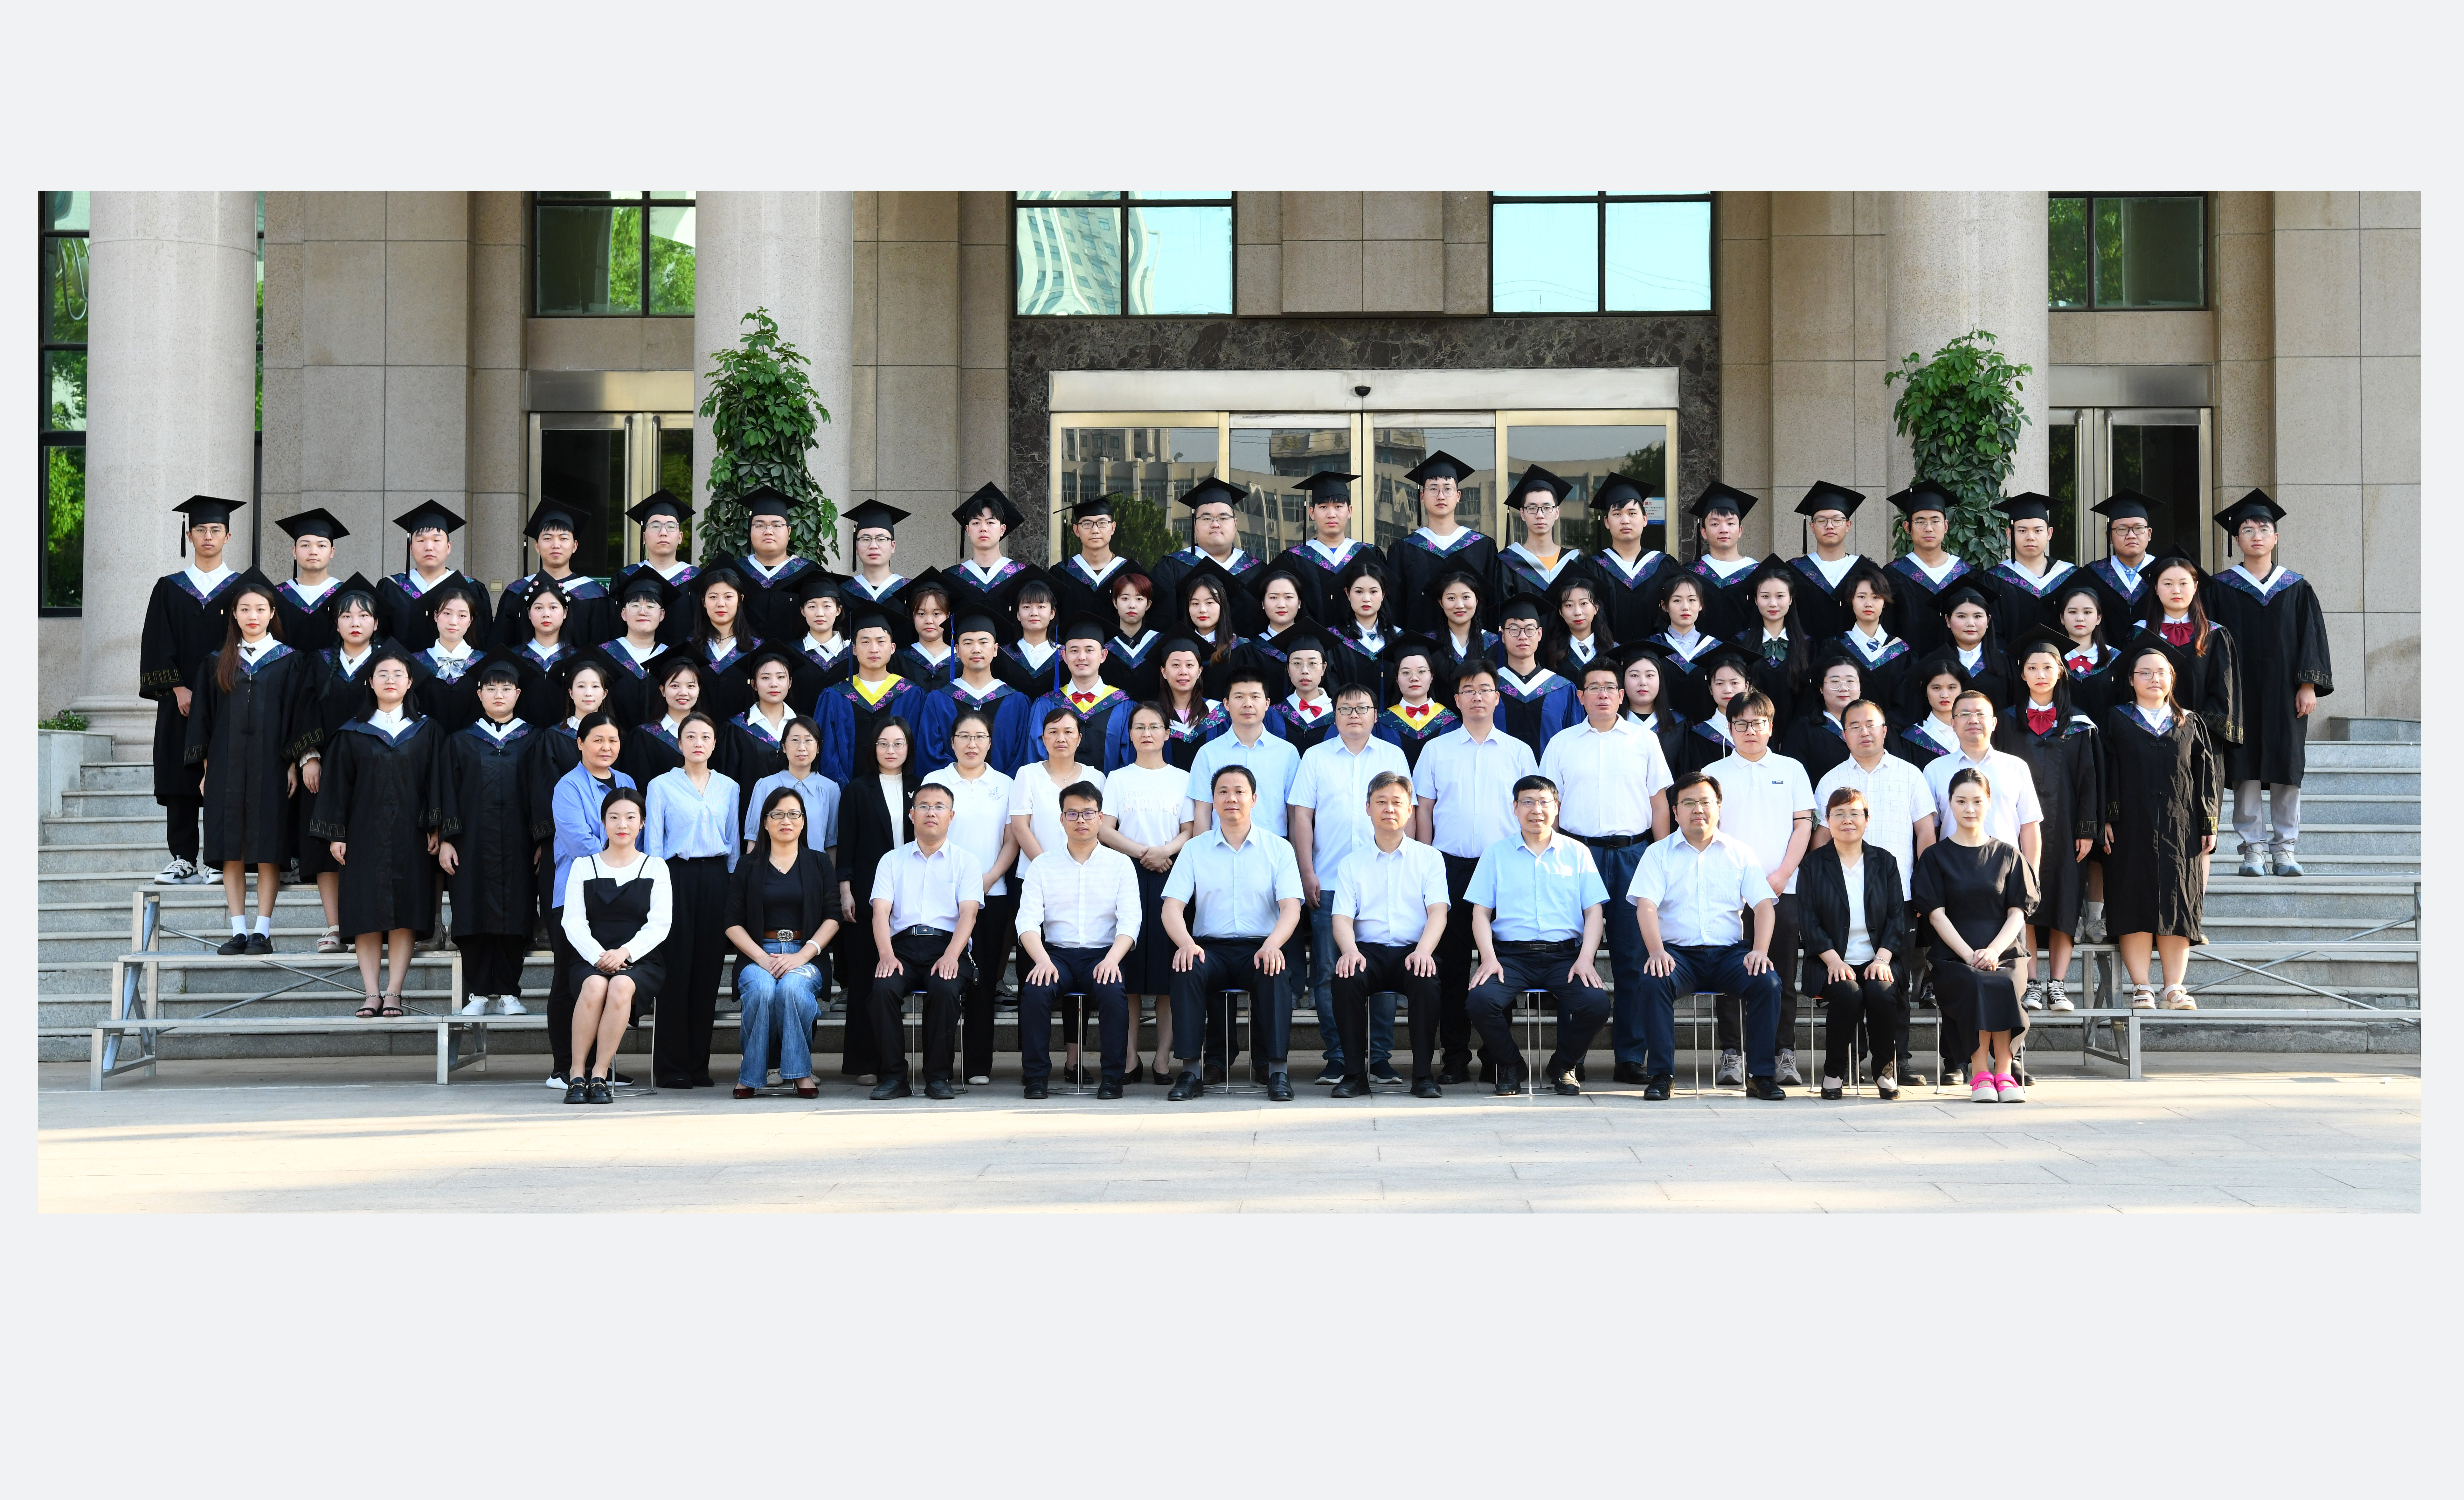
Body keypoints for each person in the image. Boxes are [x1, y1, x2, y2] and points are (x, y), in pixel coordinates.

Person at [1541, 661, 1675, 1083]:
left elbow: (1658, 804)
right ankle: (1572, 1057)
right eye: (1593, 687)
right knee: (1571, 955)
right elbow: (1548, 808)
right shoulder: (1562, 743)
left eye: (1609, 688)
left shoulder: (1644, 740)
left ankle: (1631, 1056)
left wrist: (1663, 858)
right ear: (1580, 696)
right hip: (1576, 856)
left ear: (1621, 695)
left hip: (1632, 854)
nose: (1602, 694)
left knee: (1633, 957)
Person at [1411, 659, 1538, 1082]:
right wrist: (1427, 860)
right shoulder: (1437, 749)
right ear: (1457, 699)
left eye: (1484, 689)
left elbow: (1532, 812)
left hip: (1504, 869)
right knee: (1451, 968)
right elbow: (1424, 809)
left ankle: (1497, 1056)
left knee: (1499, 964)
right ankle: (1454, 1057)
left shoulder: (1519, 752)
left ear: (1497, 698)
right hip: (1449, 868)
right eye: (1468, 690)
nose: (1477, 697)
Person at [1627, 771, 1788, 1100]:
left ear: (1719, 807)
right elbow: (1646, 906)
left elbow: (1764, 905)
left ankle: (1761, 1076)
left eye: (1705, 802)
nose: (1697, 809)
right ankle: (1661, 1075)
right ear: (1675, 812)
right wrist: (1656, 952)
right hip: (1677, 956)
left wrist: (1759, 951)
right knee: (1653, 981)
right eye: (1688, 803)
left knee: (1767, 982)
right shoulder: (1658, 853)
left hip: (1729, 955)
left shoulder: (1739, 852)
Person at [2203, 490, 2334, 878]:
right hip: (2238, 694)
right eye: (2247, 530)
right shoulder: (2219, 588)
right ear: (2236, 539)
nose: (2256, 535)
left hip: (2284, 693)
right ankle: (2253, 850)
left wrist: (2308, 685)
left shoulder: (2296, 587)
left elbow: (2311, 638)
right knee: (2243, 767)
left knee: (2285, 767)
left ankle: (2285, 848)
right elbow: (2209, 643)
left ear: (2275, 537)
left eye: (2263, 529)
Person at [1287, 682, 1412, 1086]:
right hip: (1329, 881)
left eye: (1362, 708)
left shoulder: (1392, 755)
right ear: (1334, 715)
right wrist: (1306, 871)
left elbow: (1406, 813)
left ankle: (1379, 1056)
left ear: (1376, 715)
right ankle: (1339, 1055)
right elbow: (1302, 817)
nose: (1354, 715)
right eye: (1345, 709)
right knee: (1328, 970)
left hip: (1385, 879)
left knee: (1383, 969)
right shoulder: (1315, 757)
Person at [185, 574, 317, 954]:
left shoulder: (289, 660)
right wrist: (207, 771)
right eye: (245, 609)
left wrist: (292, 764)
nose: (253, 616)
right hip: (225, 768)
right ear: (234, 614)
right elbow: (204, 721)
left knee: (267, 847)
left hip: (272, 766)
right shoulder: (217, 661)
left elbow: (297, 716)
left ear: (273, 613)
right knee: (232, 848)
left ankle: (263, 930)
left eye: (260, 609)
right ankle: (238, 930)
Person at [309, 644, 442, 1018]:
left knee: (404, 914)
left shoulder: (426, 730)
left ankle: (394, 992)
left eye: (398, 674)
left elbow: (436, 781)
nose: (390, 680)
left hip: (411, 835)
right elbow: (338, 787)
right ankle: (371, 992)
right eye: (382, 674)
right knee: (366, 913)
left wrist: (436, 826)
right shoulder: (351, 732)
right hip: (363, 835)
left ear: (410, 682)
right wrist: (337, 833)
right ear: (370, 682)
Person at [1811, 697, 1939, 1080]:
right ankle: (1851, 1060)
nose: (1863, 732)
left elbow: (1925, 835)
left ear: (1884, 730)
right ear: (1843, 734)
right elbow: (1821, 840)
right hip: (1842, 901)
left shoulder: (1910, 775)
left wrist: (1923, 888)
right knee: (1847, 984)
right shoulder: (1831, 780)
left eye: (1871, 725)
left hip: (1898, 899)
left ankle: (1896, 1061)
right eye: (1854, 726)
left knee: (1893, 983)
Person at [1461, 775, 1613, 1095]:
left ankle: (1563, 1066)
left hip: (1564, 957)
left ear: (1556, 807)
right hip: (1511, 957)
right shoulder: (1496, 853)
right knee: (1480, 1001)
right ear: (1515, 808)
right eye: (1528, 802)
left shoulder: (1577, 852)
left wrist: (1586, 958)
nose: (1536, 810)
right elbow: (1480, 912)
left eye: (1544, 802)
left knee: (1597, 1004)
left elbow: (1594, 912)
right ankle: (1511, 1066)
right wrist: (1488, 958)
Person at [1160, 765, 1305, 1101]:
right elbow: (1171, 908)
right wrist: (1186, 944)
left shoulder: (1278, 848)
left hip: (1260, 946)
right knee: (1186, 967)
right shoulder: (1195, 849)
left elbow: (1291, 908)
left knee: (1275, 970)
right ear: (1213, 800)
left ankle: (1277, 1070)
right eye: (1223, 792)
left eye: (1239, 791)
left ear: (1254, 799)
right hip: (1209, 949)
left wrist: (1273, 945)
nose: (1231, 798)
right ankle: (1191, 1071)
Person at [1701, 690, 1817, 1086]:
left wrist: (1783, 873)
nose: (1750, 731)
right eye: (1741, 724)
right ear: (1729, 727)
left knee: (1780, 972)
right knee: (1730, 973)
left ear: (1770, 726)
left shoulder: (1791, 769)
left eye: (1758, 723)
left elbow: (1803, 825)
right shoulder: (1713, 773)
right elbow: (1707, 830)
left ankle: (1784, 1052)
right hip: (1728, 893)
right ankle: (1732, 1053)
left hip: (1781, 887)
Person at [2099, 643, 2221, 1013]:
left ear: (2172, 679)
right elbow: (2105, 771)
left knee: (2177, 901)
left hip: (2180, 827)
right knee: (2133, 900)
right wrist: (2106, 816)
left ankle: (2173, 987)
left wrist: (2208, 822)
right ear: (2130, 680)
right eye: (2145, 673)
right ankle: (2142, 986)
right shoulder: (2116, 718)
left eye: (2161, 673)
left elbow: (2206, 776)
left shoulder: (2189, 721)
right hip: (2129, 826)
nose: (2154, 679)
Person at [1913, 768, 2040, 1103]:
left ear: (1989, 803)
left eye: (1977, 801)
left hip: (2005, 952)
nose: (1969, 809)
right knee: (1976, 982)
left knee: (2003, 981)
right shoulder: (1935, 857)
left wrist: (1994, 951)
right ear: (1949, 805)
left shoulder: (2008, 854)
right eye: (1961, 801)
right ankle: (1981, 1072)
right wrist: (1970, 955)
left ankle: (2004, 1072)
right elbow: (1936, 915)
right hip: (1953, 955)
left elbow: (2018, 913)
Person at [143, 495, 247, 887]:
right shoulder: (169, 589)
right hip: (181, 700)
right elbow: (157, 642)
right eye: (201, 529)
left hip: (230, 700)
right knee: (178, 775)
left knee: (225, 776)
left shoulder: (242, 589)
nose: (208, 536)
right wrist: (177, 688)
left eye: (215, 530)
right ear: (190, 535)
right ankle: (183, 858)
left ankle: (218, 860)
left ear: (228, 536)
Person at [436, 651, 546, 1018]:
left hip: (518, 844)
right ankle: (479, 993)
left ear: (518, 694)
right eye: (492, 688)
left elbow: (541, 792)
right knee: (473, 913)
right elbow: (448, 792)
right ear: (479, 693)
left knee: (516, 915)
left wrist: (542, 840)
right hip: (471, 844)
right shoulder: (460, 741)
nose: (499, 695)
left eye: (507, 688)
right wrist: (447, 838)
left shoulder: (534, 739)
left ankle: (510, 992)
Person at [1328, 770, 1450, 1098]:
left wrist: (1423, 951)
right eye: (1381, 802)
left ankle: (1423, 1075)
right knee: (1345, 978)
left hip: (1414, 950)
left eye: (1397, 802)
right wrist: (1350, 951)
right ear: (1368, 808)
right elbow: (1341, 918)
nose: (1389, 809)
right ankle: (1354, 1074)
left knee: (1426, 981)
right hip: (1367, 952)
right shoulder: (1351, 863)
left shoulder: (1430, 858)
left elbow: (1438, 912)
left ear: (1410, 809)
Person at [1017, 781, 1142, 1098]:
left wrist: (1112, 960)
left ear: (1101, 818)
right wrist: (1042, 960)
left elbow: (1130, 920)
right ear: (1062, 819)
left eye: (1088, 813)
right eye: (1072, 813)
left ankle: (1112, 1078)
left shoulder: (1120, 864)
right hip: (1056, 955)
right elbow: (1027, 921)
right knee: (1034, 991)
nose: (1081, 820)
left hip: (1102, 955)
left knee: (1113, 993)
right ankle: (1036, 1077)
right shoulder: (1043, 865)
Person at [1997, 634, 2101, 1011]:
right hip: (2017, 830)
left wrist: (2086, 829)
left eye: (2047, 667)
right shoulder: (2005, 722)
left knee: (2063, 903)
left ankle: (2057, 984)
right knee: (2022, 902)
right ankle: (2031, 982)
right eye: (2032, 668)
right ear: (2022, 674)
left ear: (2061, 672)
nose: (2040, 674)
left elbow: (2089, 779)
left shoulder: (2079, 725)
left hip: (2067, 828)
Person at [640, 712, 740, 1089]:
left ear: (714, 744)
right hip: (674, 877)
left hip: (716, 878)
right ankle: (670, 1067)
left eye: (706, 737)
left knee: (707, 972)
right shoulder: (661, 785)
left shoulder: (729, 787)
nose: (699, 743)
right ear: (679, 743)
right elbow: (654, 844)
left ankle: (699, 1064)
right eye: (691, 736)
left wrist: (733, 889)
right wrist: (654, 890)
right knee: (676, 970)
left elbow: (732, 842)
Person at [867, 780, 983, 1101]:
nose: (931, 813)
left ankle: (938, 1077)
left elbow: (969, 914)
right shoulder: (892, 860)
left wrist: (951, 955)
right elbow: (880, 913)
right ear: (912, 814)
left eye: (939, 807)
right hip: (901, 948)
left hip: (948, 947)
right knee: (882, 991)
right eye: (924, 806)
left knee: (945, 990)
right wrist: (886, 955)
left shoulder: (966, 861)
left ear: (951, 816)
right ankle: (893, 1077)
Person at [722, 786, 841, 1098]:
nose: (785, 820)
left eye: (793, 814)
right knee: (762, 990)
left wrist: (802, 956)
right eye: (777, 814)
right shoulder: (749, 865)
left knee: (792, 989)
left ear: (803, 821)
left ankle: (799, 1072)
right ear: (765, 823)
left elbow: (832, 917)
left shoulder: (819, 863)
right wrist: (762, 958)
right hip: (758, 954)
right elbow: (731, 922)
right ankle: (751, 1075)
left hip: (805, 954)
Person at [1101, 704, 1198, 1083]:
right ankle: (1129, 1058)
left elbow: (1190, 830)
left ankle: (1161, 1059)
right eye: (1139, 727)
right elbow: (1105, 829)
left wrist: (1164, 852)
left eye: (1154, 727)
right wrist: (1145, 852)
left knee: (1167, 977)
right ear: (1130, 734)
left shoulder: (1182, 778)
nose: (1146, 733)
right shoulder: (1118, 778)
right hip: (1127, 874)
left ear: (1167, 733)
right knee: (1128, 977)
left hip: (1170, 876)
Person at [559, 786, 672, 1105]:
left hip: (640, 959)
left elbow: (660, 924)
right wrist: (599, 955)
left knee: (621, 985)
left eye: (631, 817)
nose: (622, 824)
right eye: (614, 817)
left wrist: (625, 953)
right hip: (590, 957)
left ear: (643, 823)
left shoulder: (655, 867)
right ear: (603, 822)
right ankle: (577, 1074)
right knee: (595, 985)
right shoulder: (584, 866)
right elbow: (573, 921)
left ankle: (599, 1074)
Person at [1797, 788, 1910, 1100]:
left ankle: (1885, 1071)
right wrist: (1834, 960)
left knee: (1881, 993)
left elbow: (1897, 917)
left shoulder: (1884, 862)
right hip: (1829, 962)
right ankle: (1834, 1071)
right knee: (1848, 993)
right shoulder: (1813, 865)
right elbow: (1808, 920)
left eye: (1855, 813)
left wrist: (1882, 959)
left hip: (1879, 959)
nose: (1847, 820)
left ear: (1866, 819)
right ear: (1828, 820)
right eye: (1839, 814)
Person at [926, 708, 1019, 1087]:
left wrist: (991, 877)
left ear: (990, 743)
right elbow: (926, 834)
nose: (972, 744)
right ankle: (938, 1064)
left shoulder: (1005, 784)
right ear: (952, 742)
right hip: (941, 896)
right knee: (943, 980)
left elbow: (1012, 839)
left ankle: (978, 1064)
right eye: (964, 736)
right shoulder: (935, 781)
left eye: (980, 737)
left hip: (990, 893)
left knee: (983, 981)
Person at [544, 712, 636, 1088]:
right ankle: (564, 1068)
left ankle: (600, 1067)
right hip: (575, 898)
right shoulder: (568, 786)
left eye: (613, 740)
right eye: (598, 739)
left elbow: (636, 832)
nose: (606, 747)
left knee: (608, 978)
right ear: (580, 743)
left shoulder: (627, 782)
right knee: (570, 980)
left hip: (620, 899)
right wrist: (620, 853)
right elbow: (579, 842)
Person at [298, 581, 386, 951]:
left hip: (377, 769)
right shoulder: (318, 662)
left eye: (363, 616)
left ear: (376, 623)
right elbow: (304, 710)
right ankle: (334, 926)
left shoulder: (388, 664)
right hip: (326, 771)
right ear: (336, 624)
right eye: (347, 616)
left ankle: (370, 924)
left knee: (372, 845)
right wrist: (309, 756)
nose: (355, 622)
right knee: (326, 846)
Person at [837, 715, 919, 1082]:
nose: (890, 750)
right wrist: (845, 888)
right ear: (873, 748)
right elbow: (847, 843)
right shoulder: (857, 789)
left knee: (897, 978)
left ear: (908, 748)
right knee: (867, 978)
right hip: (869, 893)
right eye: (883, 744)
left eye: (898, 743)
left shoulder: (920, 787)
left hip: (914, 893)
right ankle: (865, 1063)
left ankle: (898, 1063)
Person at [2128, 552, 2242, 757]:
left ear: (2196, 587)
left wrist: (2192, 729)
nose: (2176, 590)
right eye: (2168, 584)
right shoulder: (2140, 633)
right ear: (2156, 589)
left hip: (2202, 743)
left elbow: (2223, 692)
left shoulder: (2215, 635)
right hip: (2149, 740)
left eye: (2184, 583)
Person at [1388, 451, 1501, 635]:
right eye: (1433, 489)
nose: (1441, 496)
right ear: (1422, 496)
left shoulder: (1482, 547)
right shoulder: (1403, 549)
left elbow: (1491, 604)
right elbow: (1395, 608)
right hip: (1420, 647)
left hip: (1472, 647)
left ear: (1458, 496)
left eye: (1448, 489)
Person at [914, 612, 1035, 775]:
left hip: (1003, 790)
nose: (976, 650)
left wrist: (1001, 785)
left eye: (983, 643)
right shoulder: (938, 700)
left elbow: (1021, 759)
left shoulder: (1017, 702)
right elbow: (930, 754)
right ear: (957, 651)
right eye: (968, 643)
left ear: (995, 649)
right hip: (949, 789)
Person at [1185, 670, 1301, 838]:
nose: (1248, 704)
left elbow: (1295, 815)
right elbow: (1203, 812)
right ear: (1227, 704)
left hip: (1273, 848)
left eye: (1255, 697)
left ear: (1267, 703)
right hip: (1222, 847)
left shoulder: (1287, 753)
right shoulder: (1208, 753)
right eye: (1239, 697)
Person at [1146, 476, 1268, 635]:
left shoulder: (1257, 570)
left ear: (1235, 524)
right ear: (1195, 524)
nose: (1215, 524)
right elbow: (1160, 624)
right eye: (1207, 518)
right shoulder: (1171, 568)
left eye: (1224, 518)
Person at [817, 610, 927, 783]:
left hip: (899, 789)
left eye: (881, 642)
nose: (874, 649)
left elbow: (918, 749)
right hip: (846, 792)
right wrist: (845, 791)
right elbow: (827, 752)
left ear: (893, 648)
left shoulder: (910, 695)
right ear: (854, 649)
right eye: (866, 642)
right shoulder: (836, 696)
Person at [375, 499, 494, 654]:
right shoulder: (391, 588)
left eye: (437, 540)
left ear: (449, 547)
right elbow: (380, 639)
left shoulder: (470, 588)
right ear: (411, 548)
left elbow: (483, 640)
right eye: (421, 540)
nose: (429, 547)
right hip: (402, 668)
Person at [493, 498, 610, 652]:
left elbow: (601, 649)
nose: (556, 545)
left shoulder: (593, 594)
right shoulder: (517, 592)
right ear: (537, 546)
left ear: (575, 546)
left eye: (564, 539)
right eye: (548, 538)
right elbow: (500, 646)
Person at [1584, 473, 1683, 648]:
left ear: (1645, 519)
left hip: (1656, 658)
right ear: (1607, 522)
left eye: (1632, 513)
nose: (1625, 521)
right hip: (1606, 658)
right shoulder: (1593, 568)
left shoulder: (1665, 566)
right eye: (1617, 514)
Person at [1881, 480, 1976, 657]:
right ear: (1908, 528)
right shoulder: (1893, 575)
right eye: (1920, 522)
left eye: (1935, 521)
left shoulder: (1967, 574)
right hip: (1909, 667)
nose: (1929, 529)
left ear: (1946, 526)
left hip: (1959, 667)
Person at [1274, 470, 1376, 626]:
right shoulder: (1294, 559)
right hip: (1310, 639)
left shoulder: (1369, 555)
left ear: (1349, 511)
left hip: (1359, 639)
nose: (1331, 514)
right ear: (1312, 513)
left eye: (1338, 506)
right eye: (1323, 507)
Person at [1033, 615, 1135, 772]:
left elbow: (1129, 762)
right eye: (1074, 651)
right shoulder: (1047, 704)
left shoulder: (1123, 705)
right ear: (1064, 656)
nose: (1082, 657)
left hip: (1109, 787)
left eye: (1089, 650)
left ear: (1103, 656)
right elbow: (1036, 759)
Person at [731, 485, 824, 649]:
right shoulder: (734, 573)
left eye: (776, 525)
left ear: (789, 532)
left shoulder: (811, 574)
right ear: (750, 531)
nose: (768, 532)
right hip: (742, 659)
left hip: (797, 660)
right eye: (760, 526)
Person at [1981, 492, 2081, 642]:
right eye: (2022, 531)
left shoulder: (2069, 576)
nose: (2030, 537)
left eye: (2038, 530)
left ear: (2049, 533)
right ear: (2010, 534)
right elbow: (1992, 633)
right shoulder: (1994, 580)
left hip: (2063, 657)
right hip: (2009, 657)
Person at [1491, 596, 1581, 758]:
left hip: (1550, 773)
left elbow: (1575, 743)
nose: (1523, 636)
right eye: (1514, 629)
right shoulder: (1489, 688)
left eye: (1530, 629)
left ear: (1539, 634)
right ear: (1503, 635)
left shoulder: (1563, 689)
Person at [1729, 555, 1813, 727]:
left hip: (1797, 730)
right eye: (1766, 597)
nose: (1773, 604)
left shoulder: (1807, 645)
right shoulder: (1741, 643)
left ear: (1791, 599)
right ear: (1756, 600)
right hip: (1752, 728)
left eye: (1780, 596)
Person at [1120, 637, 1227, 772]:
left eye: (1190, 665)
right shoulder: (1151, 716)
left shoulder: (1219, 714)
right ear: (1164, 672)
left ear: (1199, 671)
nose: (1183, 672)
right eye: (1176, 665)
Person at [741, 715, 841, 856]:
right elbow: (754, 839)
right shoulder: (765, 786)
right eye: (795, 740)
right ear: (784, 746)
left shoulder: (830, 789)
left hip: (815, 868)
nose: (802, 748)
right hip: (772, 867)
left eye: (808, 741)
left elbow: (832, 843)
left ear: (819, 747)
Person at [1785, 480, 1869, 640]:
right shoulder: (1794, 571)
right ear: (1812, 527)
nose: (1830, 526)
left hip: (1857, 653)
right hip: (1807, 653)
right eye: (1821, 521)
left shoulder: (1866, 570)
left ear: (1848, 525)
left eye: (1837, 520)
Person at [613, 491, 699, 645]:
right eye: (655, 526)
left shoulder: (697, 579)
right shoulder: (625, 577)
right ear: (644, 537)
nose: (663, 533)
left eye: (671, 527)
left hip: (685, 659)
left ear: (680, 537)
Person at [592, 572, 677, 729]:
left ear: (662, 615)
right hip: (613, 740)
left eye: (650, 607)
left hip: (659, 741)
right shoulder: (603, 656)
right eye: (635, 606)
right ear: (624, 614)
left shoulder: (672, 659)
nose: (642, 612)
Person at [942, 483, 1031, 632]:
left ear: (1002, 530)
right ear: (968, 530)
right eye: (976, 523)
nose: (983, 529)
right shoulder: (951, 578)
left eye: (990, 523)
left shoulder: (1022, 575)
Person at [1682, 483, 1765, 640]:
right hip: (1700, 653)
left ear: (1740, 531)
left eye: (1731, 523)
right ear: (1704, 532)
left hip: (1748, 651)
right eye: (1715, 524)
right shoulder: (1689, 573)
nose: (1724, 530)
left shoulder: (1758, 573)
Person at [1496, 463, 1584, 609]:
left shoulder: (1575, 563)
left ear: (1557, 512)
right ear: (1522, 514)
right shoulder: (1508, 563)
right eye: (1532, 508)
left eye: (1547, 508)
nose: (1540, 515)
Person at [1640, 572, 1725, 723]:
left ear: (1701, 605)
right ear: (1664, 606)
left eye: (1692, 600)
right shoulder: (1652, 647)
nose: (1685, 607)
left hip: (1707, 729)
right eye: (1677, 600)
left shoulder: (1716, 648)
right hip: (1665, 729)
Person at [1834, 558, 1914, 717]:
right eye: (1861, 597)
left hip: (1889, 731)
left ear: (1885, 602)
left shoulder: (1902, 652)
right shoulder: (1836, 647)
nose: (1869, 604)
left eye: (1876, 597)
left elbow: (1907, 705)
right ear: (1851, 601)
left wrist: (1884, 729)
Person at [684, 563, 763, 724]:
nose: (721, 604)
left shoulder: (757, 648)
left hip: (742, 735)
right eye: (713, 597)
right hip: (698, 734)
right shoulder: (689, 648)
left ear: (740, 600)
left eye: (728, 597)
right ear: (704, 601)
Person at [617, 653, 709, 787]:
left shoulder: (708, 734)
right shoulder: (644, 736)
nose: (683, 693)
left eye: (691, 686)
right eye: (675, 686)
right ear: (663, 690)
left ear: (699, 690)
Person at [410, 581, 488, 733]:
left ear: (470, 621)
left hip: (470, 743)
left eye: (462, 616)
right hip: (425, 741)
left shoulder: (483, 662)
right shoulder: (416, 662)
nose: (453, 622)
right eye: (447, 613)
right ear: (436, 616)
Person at [1053, 495, 1140, 628]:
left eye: (1103, 523)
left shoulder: (1131, 572)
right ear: (1076, 530)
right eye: (1087, 524)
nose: (1095, 530)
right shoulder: (1061, 574)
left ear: (1113, 528)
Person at [2084, 489, 2164, 634]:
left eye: (2139, 528)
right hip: (2105, 648)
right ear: (2110, 537)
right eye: (2122, 529)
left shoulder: (2165, 571)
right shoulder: (2092, 574)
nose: (2131, 535)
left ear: (2149, 534)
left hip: (2157, 648)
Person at [271, 507, 350, 653]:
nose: (313, 552)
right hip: (287, 667)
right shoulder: (278, 595)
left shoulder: (345, 594)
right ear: (295, 551)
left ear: (332, 552)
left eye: (322, 546)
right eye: (305, 545)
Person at [1372, 640, 1459, 771]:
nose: (1414, 678)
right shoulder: (1382, 723)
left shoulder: (1452, 722)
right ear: (1397, 679)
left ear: (1432, 676)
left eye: (1422, 672)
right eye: (1406, 673)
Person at [1925, 584, 2013, 712]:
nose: (1971, 624)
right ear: (1948, 620)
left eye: (1978, 616)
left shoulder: (2006, 662)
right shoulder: (1934, 662)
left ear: (1988, 621)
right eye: (1962, 616)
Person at [1233, 564, 1314, 702]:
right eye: (1273, 598)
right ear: (1263, 603)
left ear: (1299, 602)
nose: (1281, 605)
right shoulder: (1248, 649)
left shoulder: (1314, 646)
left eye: (1289, 597)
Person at [1780, 652, 1864, 784]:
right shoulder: (1803, 729)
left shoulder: (1875, 727)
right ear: (1821, 689)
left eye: (1851, 681)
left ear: (1860, 688)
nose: (1843, 688)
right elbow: (1794, 780)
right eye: (1835, 682)